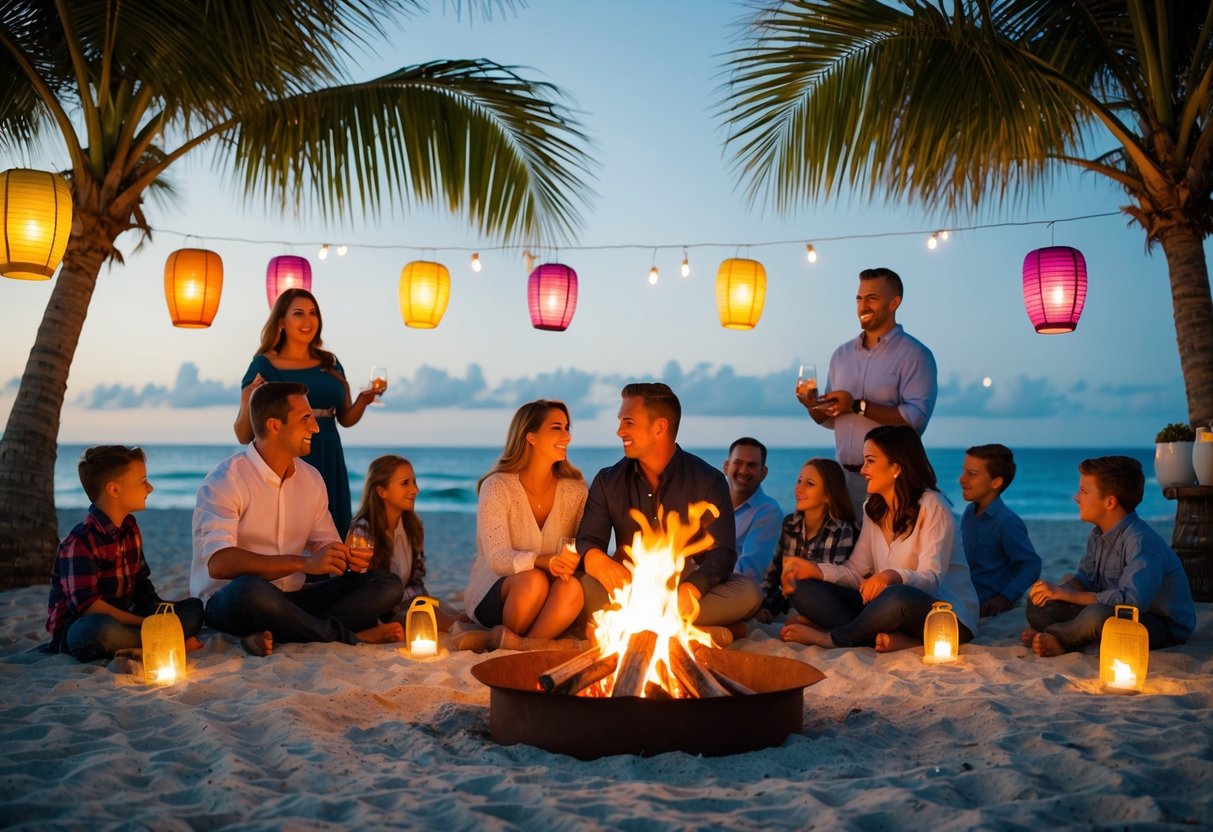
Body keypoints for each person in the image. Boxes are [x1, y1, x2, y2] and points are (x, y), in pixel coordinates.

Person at [194, 382, 404, 656]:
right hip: (231, 601)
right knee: (251, 588)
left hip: (291, 602)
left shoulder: (311, 478)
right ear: (274, 425)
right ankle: (349, 637)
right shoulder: (226, 479)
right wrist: (304, 563)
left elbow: (324, 545)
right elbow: (219, 563)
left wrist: (343, 557)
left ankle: (275, 633)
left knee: (387, 585)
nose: (315, 428)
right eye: (305, 419)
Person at [576, 383, 763, 638]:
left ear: (659, 427)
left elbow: (723, 553)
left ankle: (639, 625)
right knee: (582, 587)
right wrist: (594, 558)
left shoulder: (708, 481)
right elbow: (588, 540)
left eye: (628, 422)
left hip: (683, 592)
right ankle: (700, 629)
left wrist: (693, 589)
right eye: (621, 422)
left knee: (749, 593)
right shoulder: (608, 481)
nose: (620, 431)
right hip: (628, 589)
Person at [779, 425, 978, 653]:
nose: (863, 470)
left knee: (895, 597)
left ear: (896, 467)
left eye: (870, 461)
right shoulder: (873, 508)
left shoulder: (933, 506)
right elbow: (856, 570)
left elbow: (932, 577)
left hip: (945, 615)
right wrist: (816, 570)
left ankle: (833, 638)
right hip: (886, 609)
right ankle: (885, 637)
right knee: (805, 590)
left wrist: (891, 575)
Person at [234, 288, 382, 537]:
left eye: (313, 313)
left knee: (332, 528)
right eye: (299, 313)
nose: (308, 320)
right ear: (281, 321)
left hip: (328, 451)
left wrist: (364, 400)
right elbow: (242, 434)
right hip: (288, 456)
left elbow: (345, 418)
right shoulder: (263, 364)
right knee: (292, 529)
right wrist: (249, 395)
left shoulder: (330, 362)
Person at [1021, 455, 1195, 657]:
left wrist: (1068, 595)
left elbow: (1131, 603)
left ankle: (1061, 639)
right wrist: (1057, 591)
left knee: (1097, 617)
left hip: (1158, 626)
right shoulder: (1098, 534)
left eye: (1083, 491)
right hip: (1109, 611)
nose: (1076, 497)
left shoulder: (1140, 541)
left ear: (1110, 502)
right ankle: (1071, 637)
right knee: (1037, 604)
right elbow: (1085, 580)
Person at [798, 268, 937, 517]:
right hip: (841, 479)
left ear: (894, 303)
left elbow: (915, 419)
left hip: (890, 482)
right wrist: (811, 405)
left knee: (884, 555)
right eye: (859, 299)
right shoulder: (841, 355)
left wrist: (857, 406)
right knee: (844, 553)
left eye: (872, 298)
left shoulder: (915, 355)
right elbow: (830, 419)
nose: (863, 305)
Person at [47, 446, 203, 662]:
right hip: (81, 628)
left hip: (128, 617)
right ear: (114, 489)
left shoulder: (130, 529)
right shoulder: (80, 542)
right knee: (99, 630)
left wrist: (160, 612)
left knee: (194, 608)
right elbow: (88, 607)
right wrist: (145, 623)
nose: (150, 488)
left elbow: (140, 584)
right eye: (143, 481)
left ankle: (144, 642)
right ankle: (165, 641)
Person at [463, 400, 587, 651]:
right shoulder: (497, 486)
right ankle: (522, 641)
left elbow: (580, 542)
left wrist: (572, 560)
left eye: (567, 428)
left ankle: (521, 648)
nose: (567, 436)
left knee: (572, 588)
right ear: (530, 436)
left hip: (549, 599)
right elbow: (497, 559)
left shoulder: (575, 489)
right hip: (497, 592)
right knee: (533, 581)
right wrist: (544, 561)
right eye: (557, 428)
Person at [347, 454, 457, 630]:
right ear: (381, 491)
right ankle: (476, 634)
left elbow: (416, 583)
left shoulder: (413, 526)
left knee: (444, 609)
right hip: (373, 617)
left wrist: (421, 602)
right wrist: (413, 605)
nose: (415, 490)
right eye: (405, 483)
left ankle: (471, 629)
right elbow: (357, 589)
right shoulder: (362, 529)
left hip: (398, 608)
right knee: (431, 613)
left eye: (414, 481)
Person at [758, 457, 858, 624]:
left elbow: (829, 584)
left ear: (827, 496)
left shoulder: (841, 530)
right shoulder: (790, 524)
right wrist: (766, 606)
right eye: (799, 481)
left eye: (809, 484)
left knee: (808, 587)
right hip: (787, 604)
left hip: (818, 604)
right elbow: (776, 570)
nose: (799, 488)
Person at [959, 444, 1042, 617]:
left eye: (971, 474)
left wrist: (1005, 597)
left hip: (982, 600)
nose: (962, 479)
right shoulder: (968, 512)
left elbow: (1031, 563)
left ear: (996, 482)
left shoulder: (1007, 522)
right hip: (962, 592)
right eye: (964, 471)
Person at [724, 437, 783, 583]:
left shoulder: (769, 513)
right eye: (738, 463)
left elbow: (749, 572)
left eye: (751, 465)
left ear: (763, 472)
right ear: (726, 467)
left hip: (734, 586)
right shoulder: (709, 502)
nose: (744, 471)